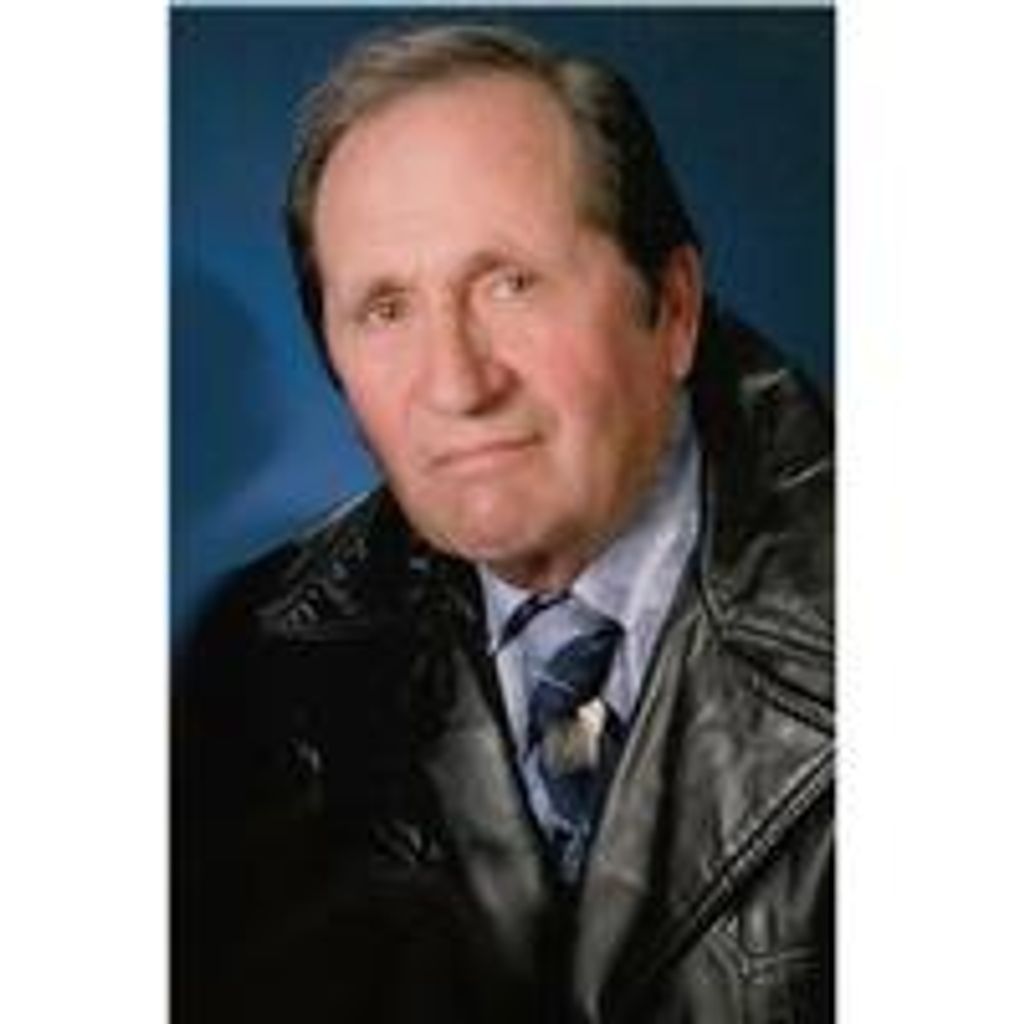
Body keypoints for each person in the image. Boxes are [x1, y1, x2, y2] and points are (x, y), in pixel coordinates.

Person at [173, 23, 833, 1024]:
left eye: (510, 283)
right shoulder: (248, 667)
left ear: (673, 308)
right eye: (386, 308)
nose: (457, 384)